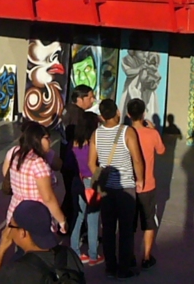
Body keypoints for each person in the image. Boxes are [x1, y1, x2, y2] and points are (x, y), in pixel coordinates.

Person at [88, 98, 144, 280]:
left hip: (106, 190)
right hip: (125, 188)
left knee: (108, 229)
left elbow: (91, 163)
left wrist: (101, 176)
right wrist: (140, 179)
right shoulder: (128, 132)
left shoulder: (96, 134)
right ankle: (123, 269)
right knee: (126, 231)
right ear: (118, 112)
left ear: (101, 116)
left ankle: (110, 267)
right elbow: (137, 159)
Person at [0, 201, 85, 284]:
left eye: (11, 225)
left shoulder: (16, 271)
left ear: (23, 233)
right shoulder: (69, 254)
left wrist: (2, 247)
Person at [2, 121, 67, 236]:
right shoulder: (38, 163)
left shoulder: (16, 155)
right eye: (46, 138)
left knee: (22, 245)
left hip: (16, 211)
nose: (50, 141)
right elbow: (48, 197)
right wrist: (61, 220)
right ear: (37, 139)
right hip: (37, 215)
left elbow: (6, 174)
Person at [127, 98, 165, 270]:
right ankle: (146, 257)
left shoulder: (125, 133)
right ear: (143, 113)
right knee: (149, 221)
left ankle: (129, 255)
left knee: (129, 223)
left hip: (128, 185)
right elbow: (161, 150)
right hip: (147, 184)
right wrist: (154, 130)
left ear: (128, 114)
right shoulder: (152, 134)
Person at [70, 111, 103, 265]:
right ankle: (93, 255)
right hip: (92, 182)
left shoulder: (75, 142)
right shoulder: (94, 143)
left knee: (78, 216)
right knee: (93, 218)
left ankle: (75, 250)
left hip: (78, 180)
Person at [60, 84, 95, 228]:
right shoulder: (78, 115)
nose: (93, 100)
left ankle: (65, 222)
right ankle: (70, 225)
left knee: (70, 194)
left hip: (66, 159)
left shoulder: (67, 109)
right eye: (90, 97)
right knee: (74, 197)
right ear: (80, 99)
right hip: (74, 162)